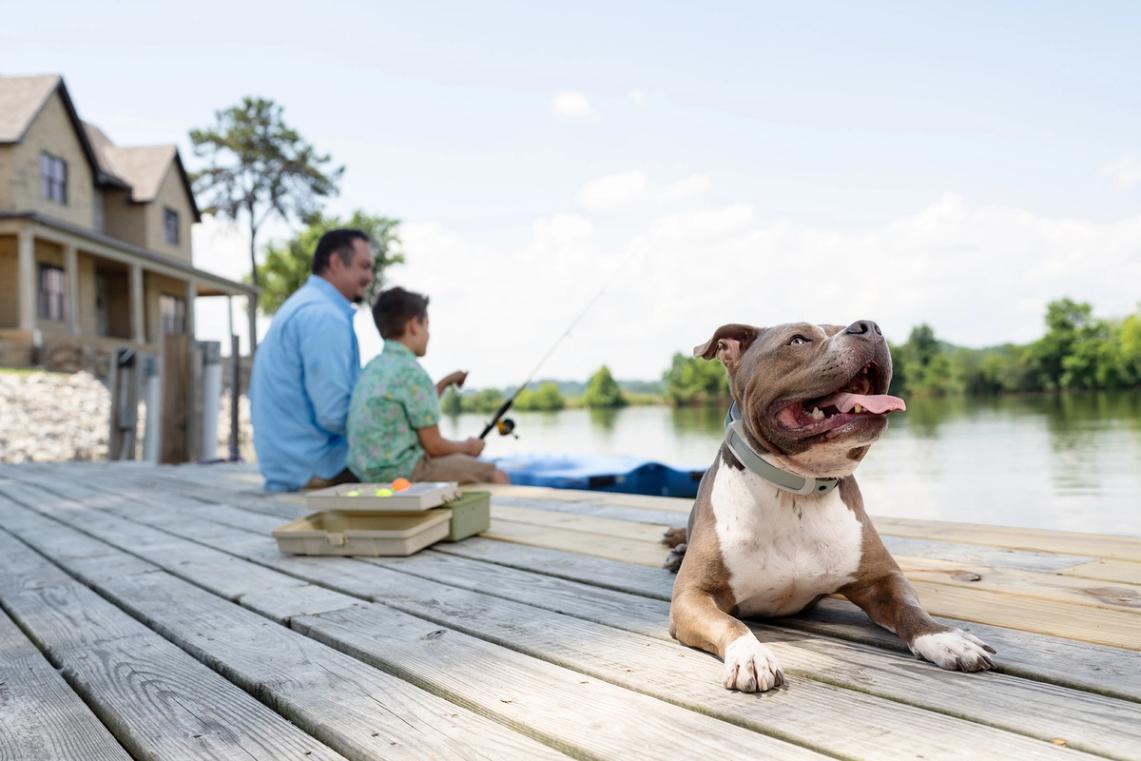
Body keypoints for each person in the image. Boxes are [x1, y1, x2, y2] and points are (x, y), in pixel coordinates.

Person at [249, 228, 374, 491]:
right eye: (364, 267)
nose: (369, 277)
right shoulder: (324, 316)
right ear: (337, 262)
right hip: (317, 469)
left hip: (289, 467)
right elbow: (335, 414)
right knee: (429, 466)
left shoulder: (303, 305)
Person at [347, 286, 510, 484]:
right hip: (402, 473)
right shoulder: (413, 372)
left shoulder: (373, 368)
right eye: (427, 325)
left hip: (365, 471)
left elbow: (413, 407)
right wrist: (468, 447)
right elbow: (434, 446)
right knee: (494, 474)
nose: (429, 334)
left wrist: (444, 383)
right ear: (414, 325)